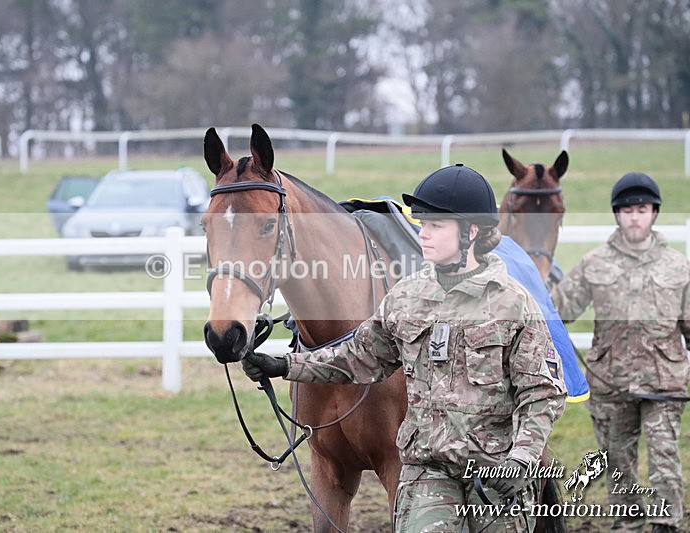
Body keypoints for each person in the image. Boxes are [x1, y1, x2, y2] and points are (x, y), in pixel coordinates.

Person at [244, 164, 567, 532]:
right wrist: (285, 366)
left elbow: (542, 393)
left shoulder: (515, 305)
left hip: (495, 471)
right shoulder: (407, 297)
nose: (422, 234)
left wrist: (523, 459)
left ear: (470, 233)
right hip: (427, 473)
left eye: (434, 226)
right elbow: (358, 358)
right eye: (422, 224)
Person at [550, 172, 689, 533]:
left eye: (641, 209)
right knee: (618, 462)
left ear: (654, 213)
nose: (634, 217)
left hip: (665, 383)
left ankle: (666, 524)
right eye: (626, 210)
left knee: (664, 456)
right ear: (616, 214)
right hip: (610, 382)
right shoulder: (594, 264)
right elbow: (557, 311)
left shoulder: (679, 266)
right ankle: (628, 524)